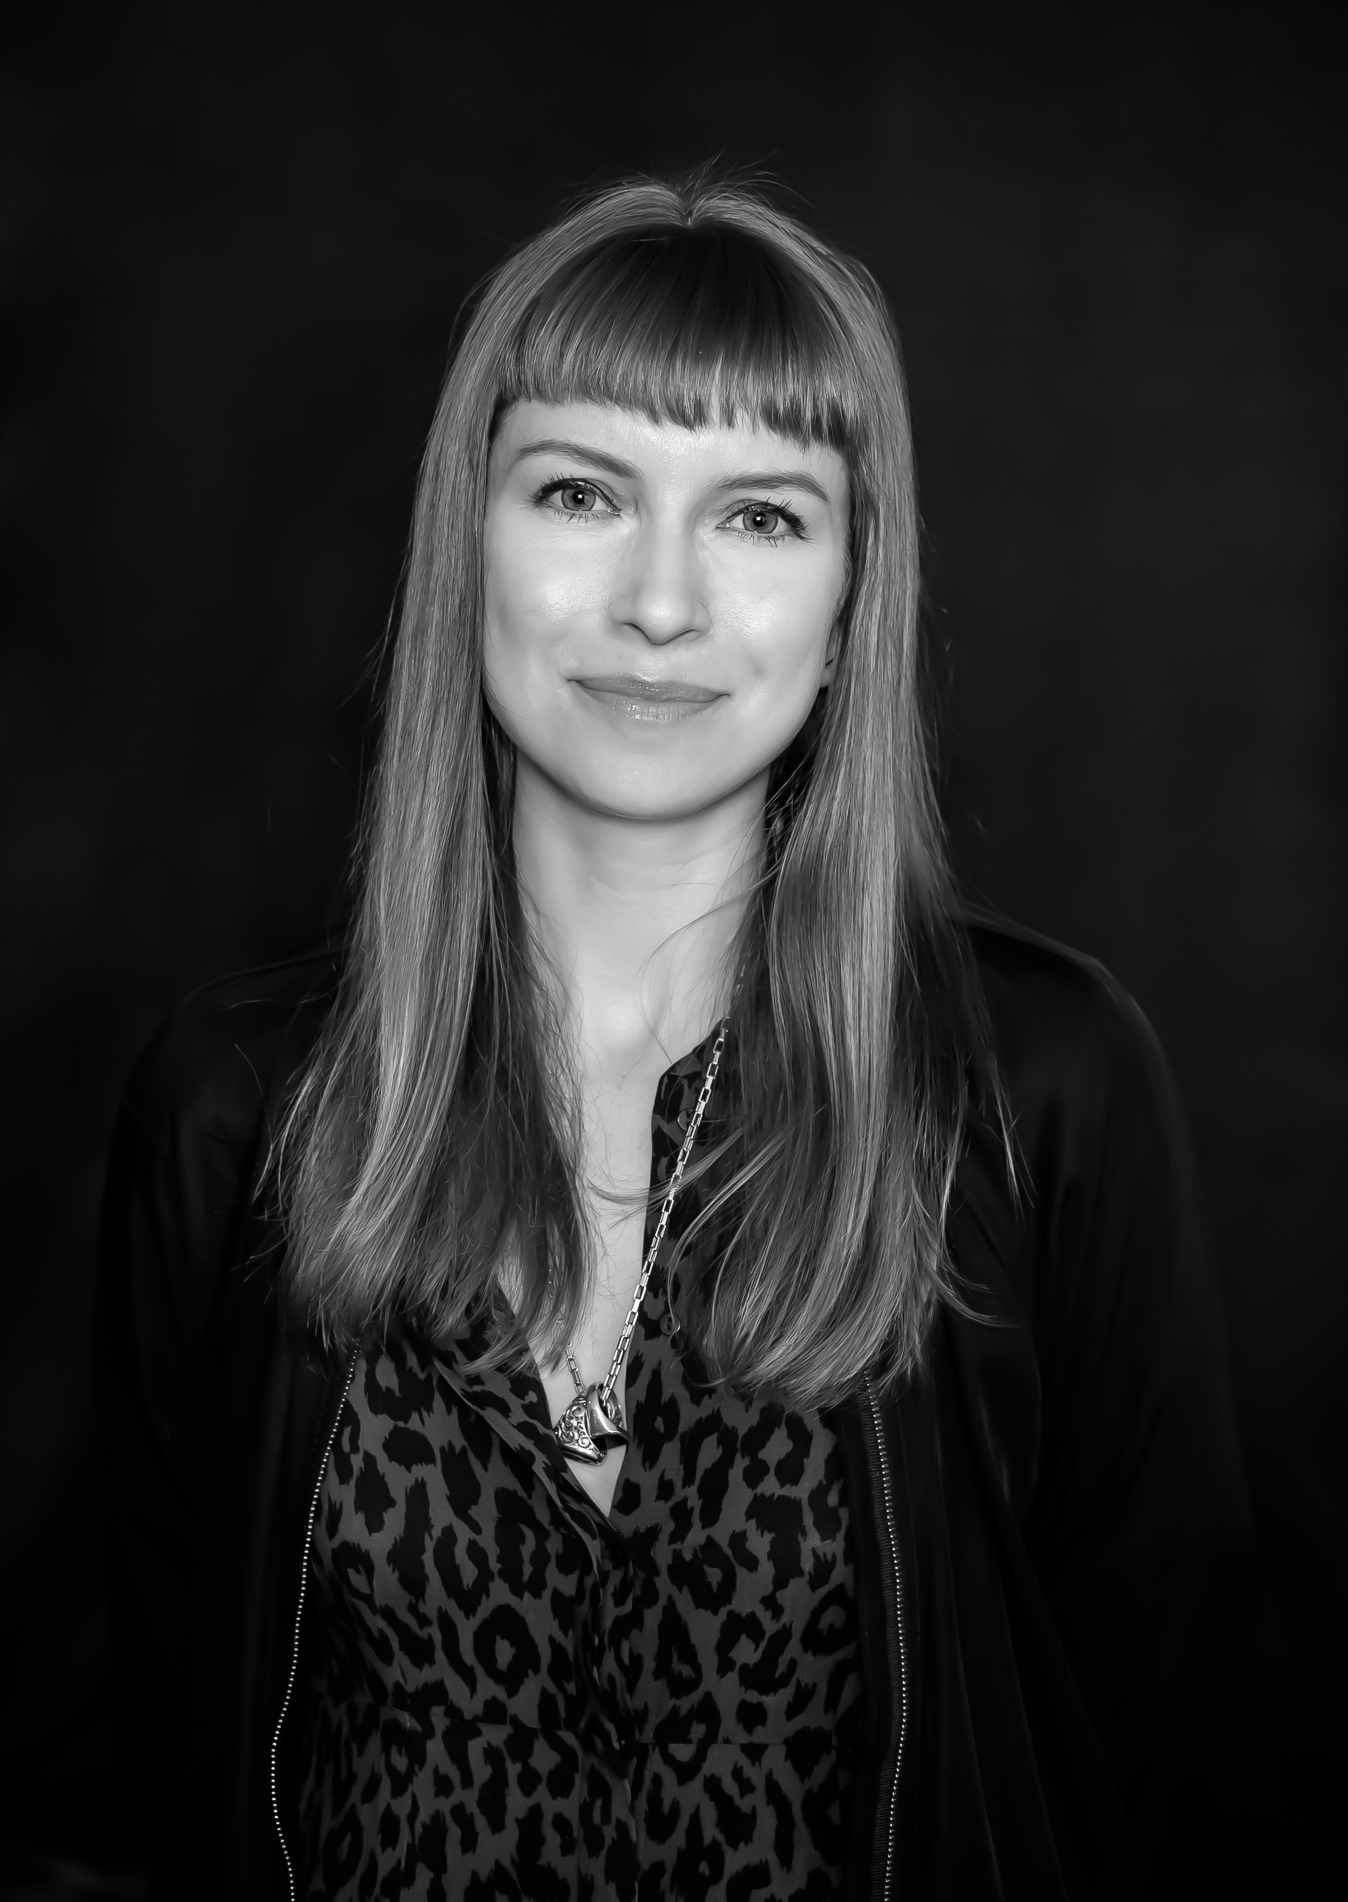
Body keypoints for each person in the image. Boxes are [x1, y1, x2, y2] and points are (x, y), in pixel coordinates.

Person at [97, 173, 1252, 1901]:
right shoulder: (238, 1103)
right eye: (580, 492)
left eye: (761, 516)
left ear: (852, 594)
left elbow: (1161, 1768)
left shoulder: (1039, 1089)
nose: (658, 601)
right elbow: (151, 1746)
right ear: (466, 540)